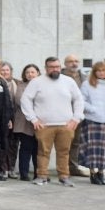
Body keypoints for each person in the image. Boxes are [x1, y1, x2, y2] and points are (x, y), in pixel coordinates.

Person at [21, 57, 84, 186]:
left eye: (57, 67)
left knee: (64, 152)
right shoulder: (37, 82)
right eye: (52, 67)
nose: (55, 69)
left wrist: (76, 118)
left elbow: (79, 99)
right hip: (44, 126)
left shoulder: (68, 81)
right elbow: (25, 99)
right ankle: (42, 176)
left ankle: (64, 177)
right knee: (43, 152)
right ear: (46, 68)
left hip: (66, 125)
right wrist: (33, 119)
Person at [79, 61, 105, 185]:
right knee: (92, 148)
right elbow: (82, 101)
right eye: (99, 70)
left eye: (104, 70)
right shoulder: (87, 84)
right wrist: (93, 109)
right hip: (92, 120)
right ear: (94, 72)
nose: (101, 73)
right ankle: (92, 174)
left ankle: (101, 173)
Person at [11, 64, 41, 181]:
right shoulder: (21, 86)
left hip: (41, 122)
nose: (30, 74)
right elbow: (20, 101)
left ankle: (39, 173)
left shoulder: (43, 85)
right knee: (26, 147)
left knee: (38, 149)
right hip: (24, 122)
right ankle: (24, 173)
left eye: (33, 72)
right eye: (27, 72)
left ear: (38, 73)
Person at [62, 54, 88, 177]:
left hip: (78, 115)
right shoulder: (59, 76)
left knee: (76, 142)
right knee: (63, 142)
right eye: (71, 61)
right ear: (65, 63)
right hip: (62, 114)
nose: (74, 63)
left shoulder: (84, 78)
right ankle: (62, 168)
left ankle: (73, 168)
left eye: (76, 61)